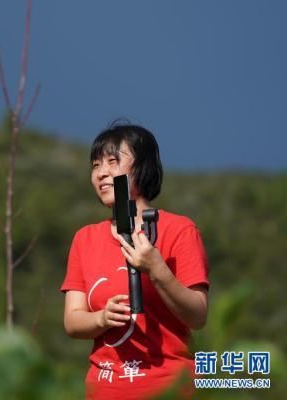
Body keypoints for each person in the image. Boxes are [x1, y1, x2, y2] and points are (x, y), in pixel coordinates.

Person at [61, 123, 209, 399]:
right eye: (95, 165)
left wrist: (157, 269)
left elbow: (198, 316)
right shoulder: (85, 239)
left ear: (142, 167)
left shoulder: (179, 230)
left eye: (113, 161)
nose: (101, 173)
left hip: (171, 388)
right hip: (105, 389)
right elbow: (72, 321)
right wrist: (102, 318)